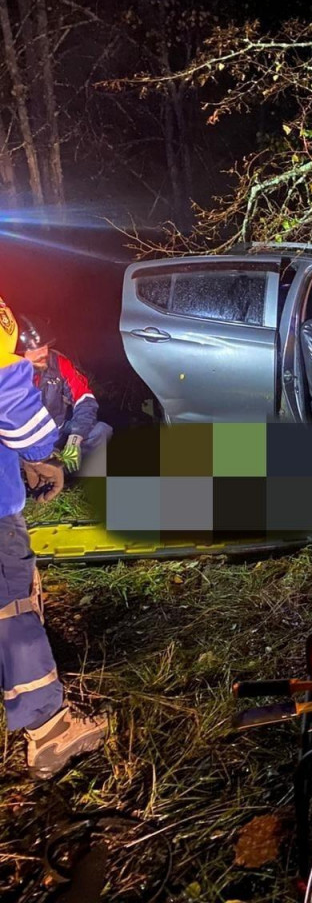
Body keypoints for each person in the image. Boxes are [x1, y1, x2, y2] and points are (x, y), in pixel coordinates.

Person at [0, 296, 107, 778]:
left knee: (97, 434)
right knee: (12, 606)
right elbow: (13, 406)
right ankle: (47, 731)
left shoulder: (61, 365)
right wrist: (43, 452)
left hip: (49, 447)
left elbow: (85, 401)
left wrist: (65, 445)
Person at [16, 315, 112, 473]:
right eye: (34, 349)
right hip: (23, 441)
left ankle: (75, 477)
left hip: (57, 429)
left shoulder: (58, 362)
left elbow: (85, 399)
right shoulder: (7, 374)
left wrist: (75, 438)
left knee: (101, 431)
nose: (43, 353)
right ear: (18, 352)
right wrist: (38, 450)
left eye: (45, 346)